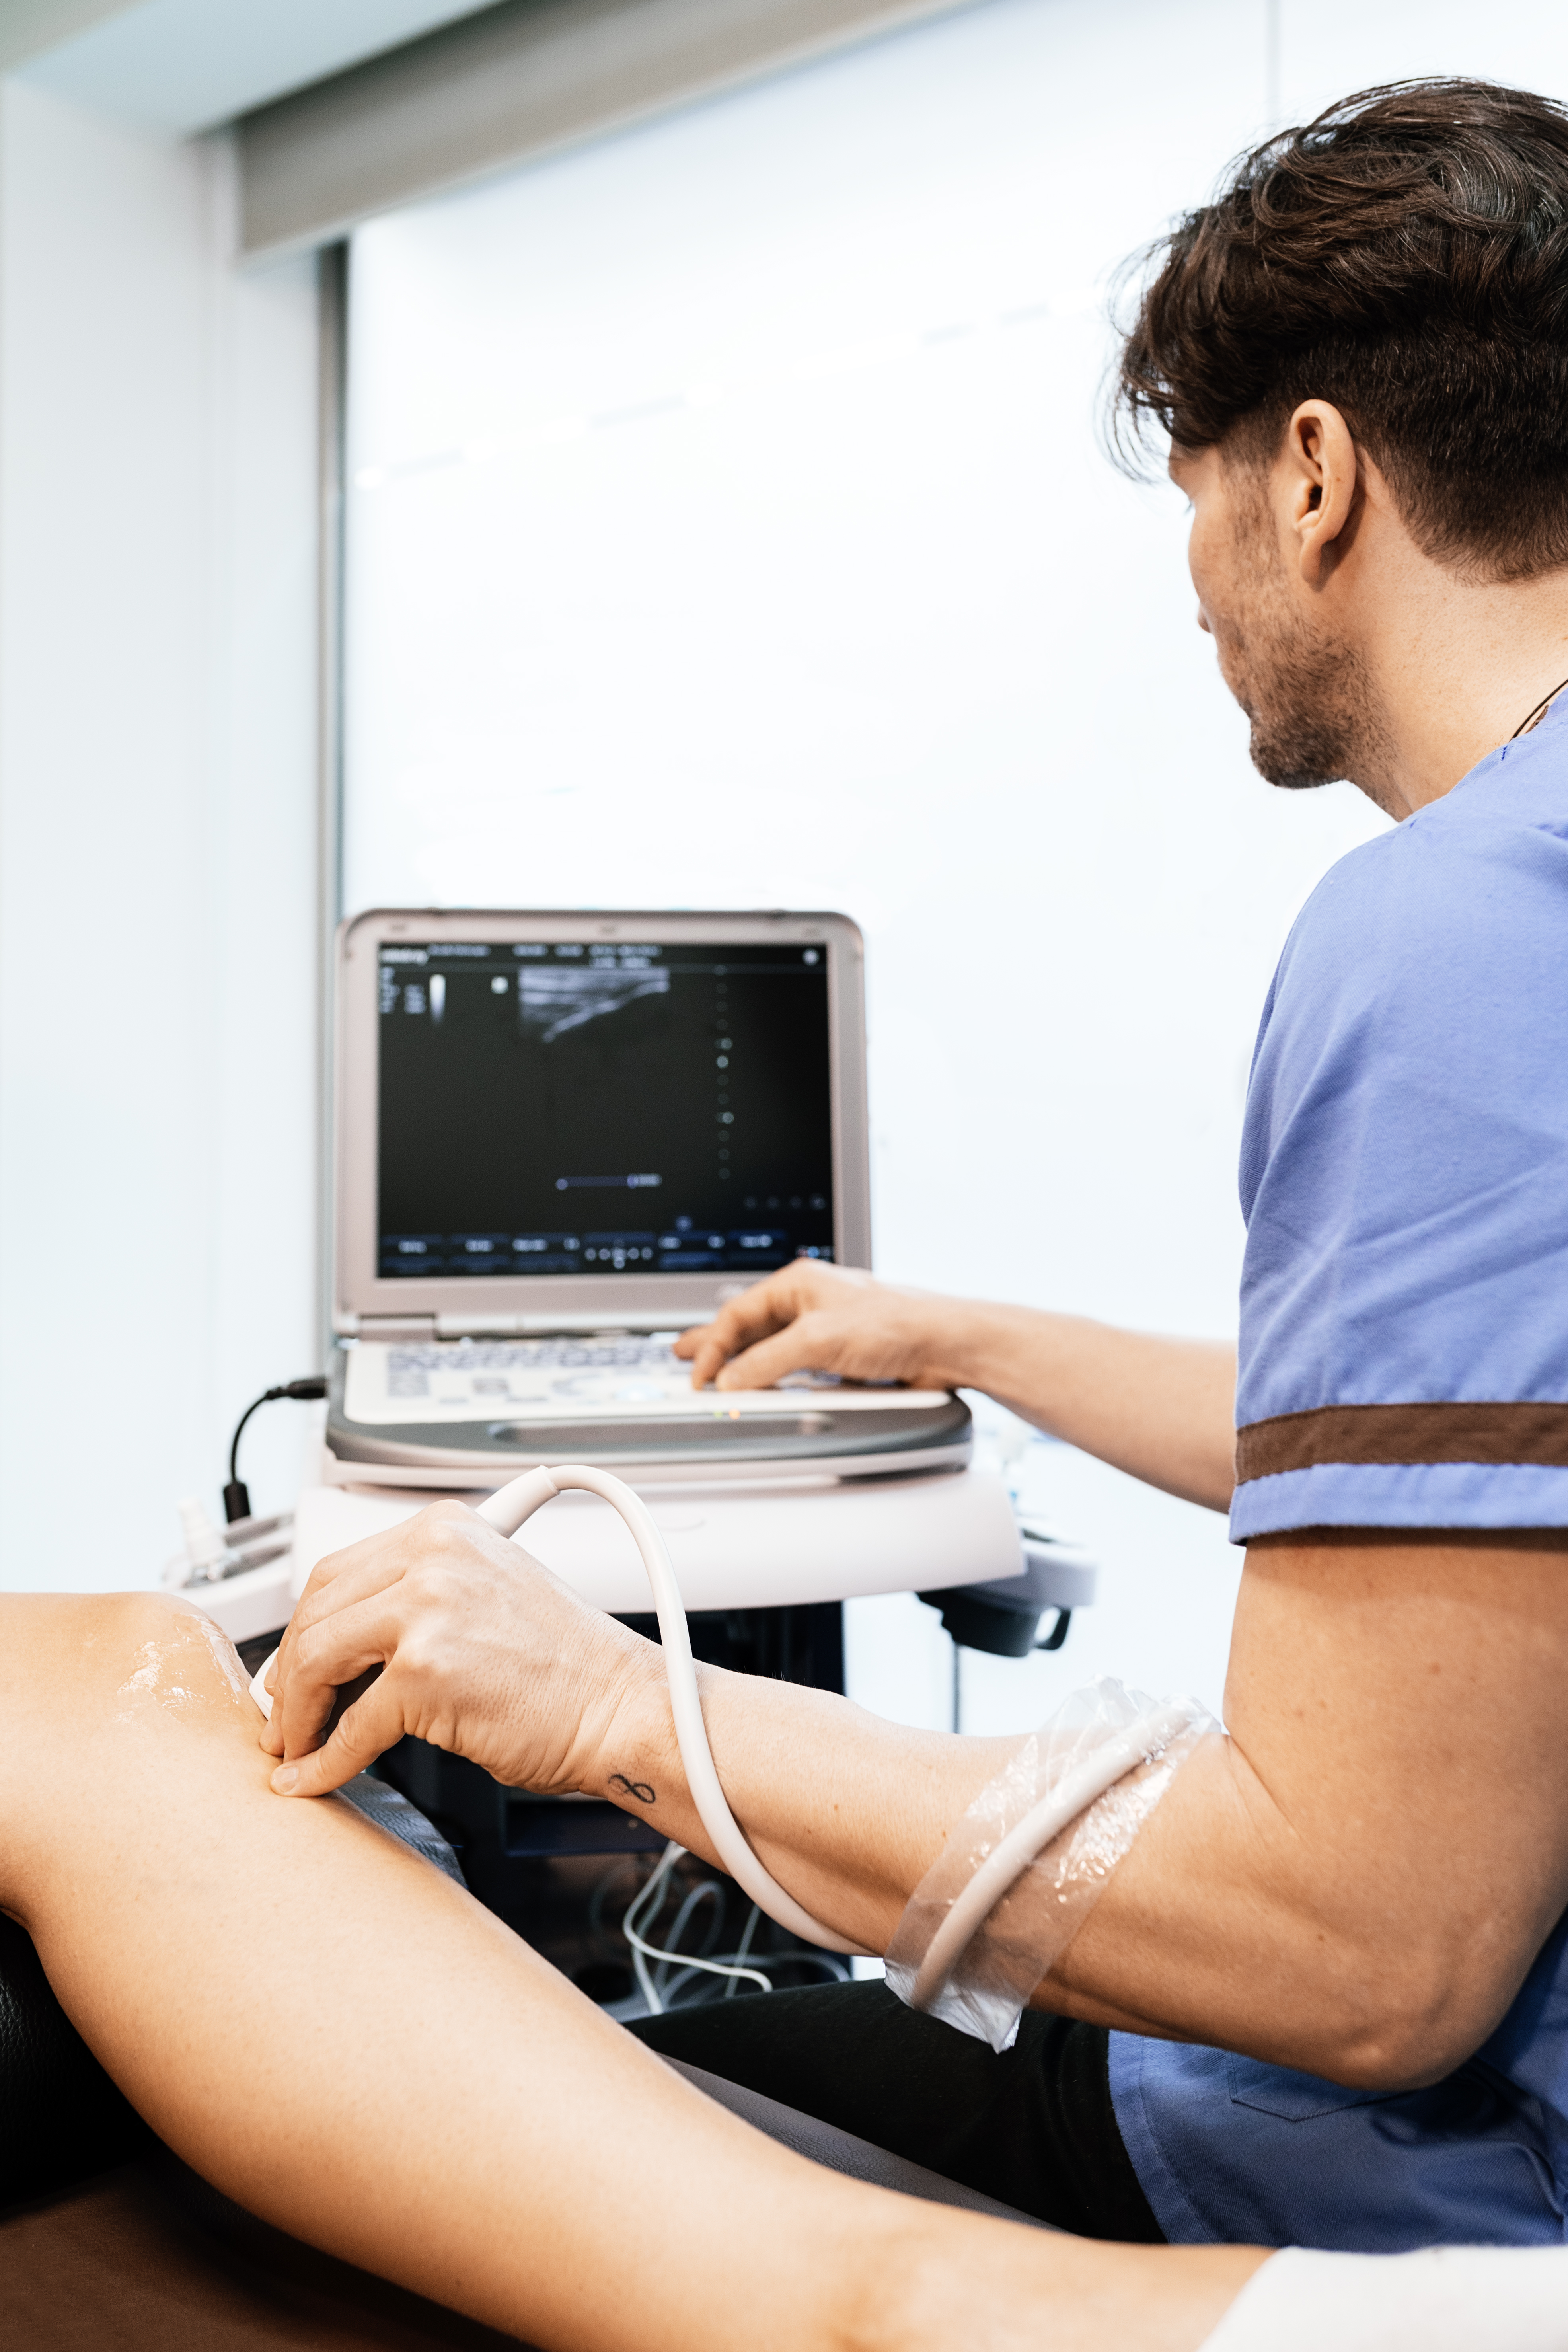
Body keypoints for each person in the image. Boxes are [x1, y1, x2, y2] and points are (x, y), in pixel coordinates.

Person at [261, 75, 1568, 2260]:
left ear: (1316, 474)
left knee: (497, 2018)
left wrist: (599, 1697)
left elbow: (1363, 1953)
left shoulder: (1457, 925)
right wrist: (945, 1329)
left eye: (1195, 500)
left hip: (1362, 2168)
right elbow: (1460, 1502)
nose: (1189, 591)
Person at [0, 1590, 1261, 2348]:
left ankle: (908, 2302)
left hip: (1306, 2124)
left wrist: (615, 1705)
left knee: (116, 1667)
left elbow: (1366, 1965)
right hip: (1266, 2113)